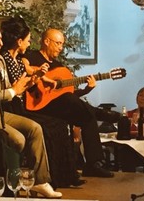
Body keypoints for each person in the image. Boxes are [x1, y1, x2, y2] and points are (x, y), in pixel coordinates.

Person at [0, 21, 62, 198]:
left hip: (0, 112)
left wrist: (26, 85)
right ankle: (11, 183)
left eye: (0, 38)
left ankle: (40, 181)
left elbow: (10, 90)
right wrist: (12, 91)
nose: (0, 43)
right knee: (17, 140)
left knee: (35, 128)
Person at [0, 18, 83, 187]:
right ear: (19, 41)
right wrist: (34, 79)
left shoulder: (17, 58)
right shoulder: (6, 59)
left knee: (59, 123)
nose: (30, 43)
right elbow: (17, 87)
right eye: (28, 40)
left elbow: (30, 74)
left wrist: (41, 77)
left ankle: (64, 176)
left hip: (21, 104)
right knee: (48, 127)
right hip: (13, 107)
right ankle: (46, 179)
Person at [24, 28, 115, 178]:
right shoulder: (32, 56)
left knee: (85, 115)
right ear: (46, 41)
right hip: (37, 104)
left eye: (62, 44)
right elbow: (24, 67)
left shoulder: (60, 67)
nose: (60, 47)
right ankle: (99, 113)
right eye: (58, 43)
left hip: (60, 105)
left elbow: (69, 93)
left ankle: (93, 164)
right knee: (76, 105)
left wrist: (86, 90)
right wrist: (39, 74)